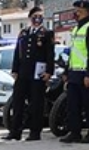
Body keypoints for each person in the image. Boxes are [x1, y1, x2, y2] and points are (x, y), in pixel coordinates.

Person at [6, 8, 56, 141]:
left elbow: (50, 54)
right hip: (23, 73)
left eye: (40, 16)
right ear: (30, 17)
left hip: (37, 74)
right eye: (35, 16)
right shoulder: (23, 33)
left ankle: (35, 132)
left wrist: (49, 72)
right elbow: (18, 52)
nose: (37, 19)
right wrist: (15, 70)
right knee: (18, 102)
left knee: (36, 104)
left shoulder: (46, 33)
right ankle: (15, 131)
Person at [61, 0, 89, 143]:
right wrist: (67, 71)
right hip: (74, 73)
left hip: (87, 73)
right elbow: (73, 52)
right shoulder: (76, 28)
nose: (76, 13)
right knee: (72, 105)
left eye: (78, 11)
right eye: (75, 10)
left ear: (86, 11)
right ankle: (74, 132)